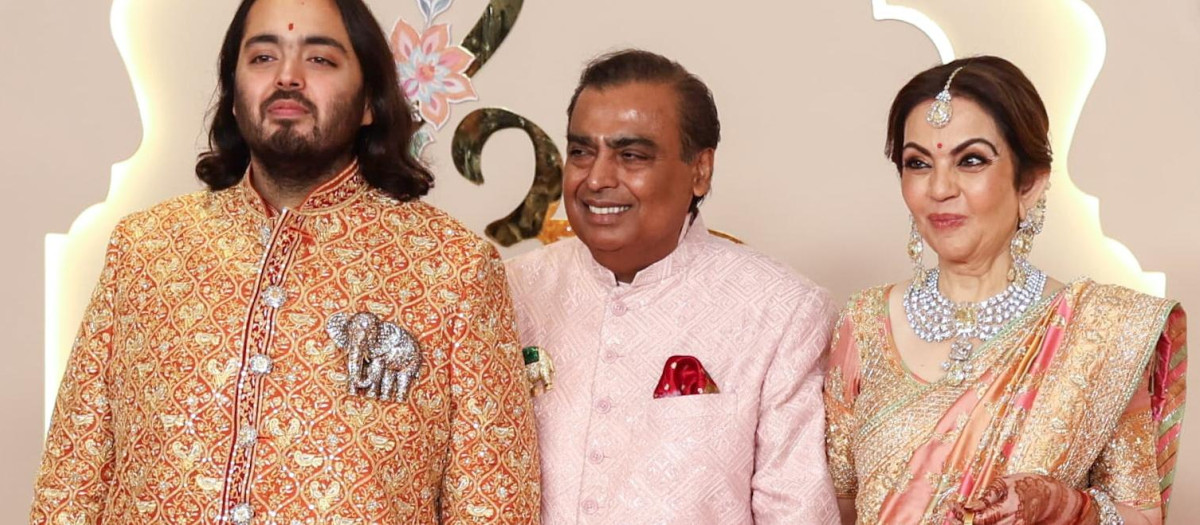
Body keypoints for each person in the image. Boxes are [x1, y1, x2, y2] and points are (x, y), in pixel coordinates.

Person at [30, 0, 540, 523]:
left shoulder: (454, 269)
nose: (288, 78)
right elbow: (71, 485)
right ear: (233, 95)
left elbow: (494, 505)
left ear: (369, 102)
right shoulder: (144, 250)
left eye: (320, 59)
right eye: (263, 57)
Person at [824, 55, 1187, 525]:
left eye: (970, 160)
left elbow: (1141, 518)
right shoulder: (865, 323)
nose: (939, 188)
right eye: (918, 163)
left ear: (1029, 183)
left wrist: (1064, 507)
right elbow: (833, 509)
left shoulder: (1100, 333)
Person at [506, 49, 840, 524]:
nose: (597, 178)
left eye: (631, 155)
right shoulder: (511, 292)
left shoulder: (780, 310)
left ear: (700, 171)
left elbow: (796, 511)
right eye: (582, 151)